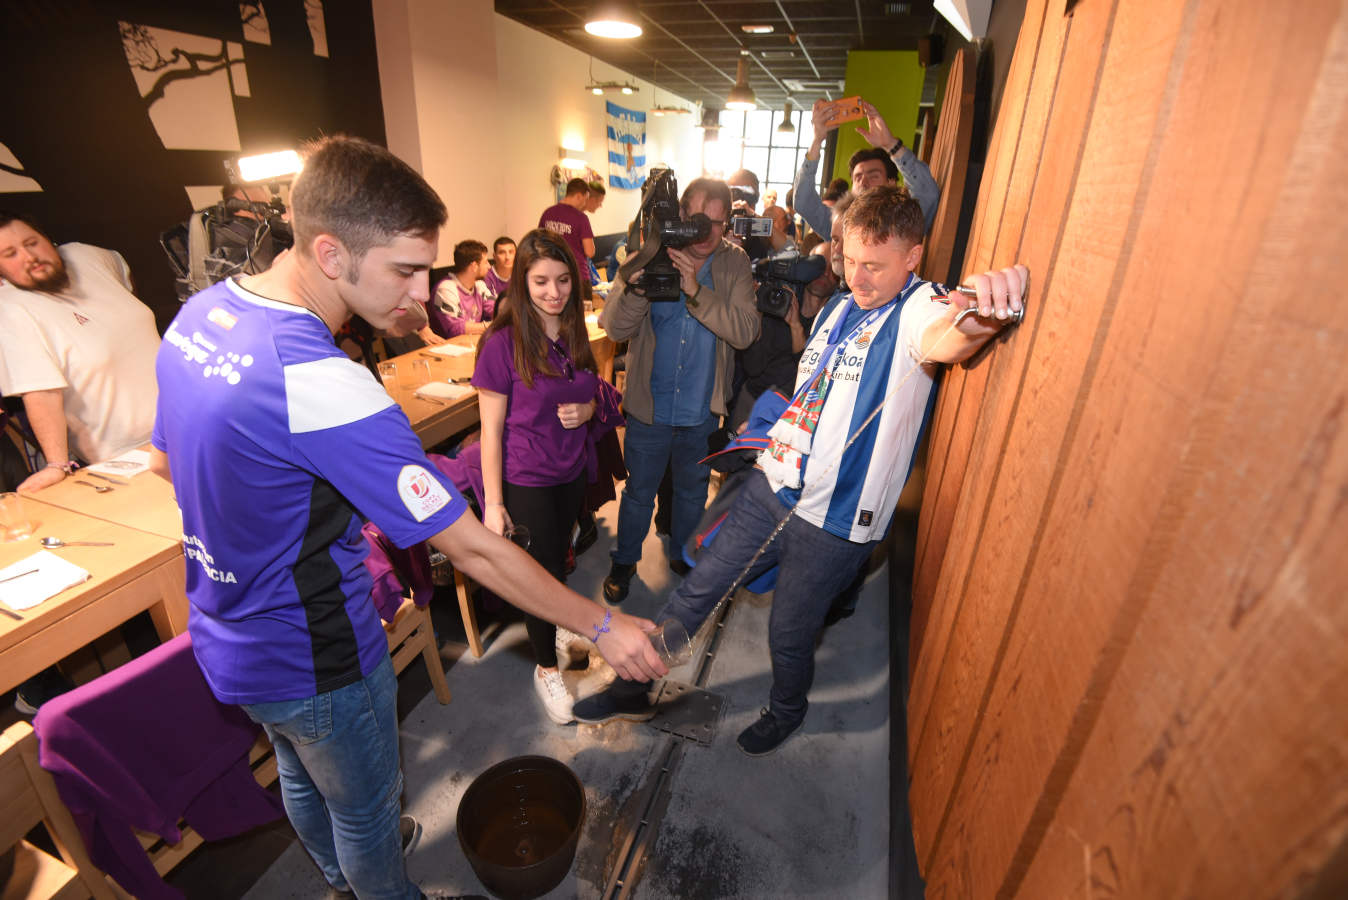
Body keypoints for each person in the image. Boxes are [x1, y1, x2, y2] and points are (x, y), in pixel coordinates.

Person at [150, 135, 665, 900]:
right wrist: (601, 624)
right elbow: (475, 551)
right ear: (330, 253)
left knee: (298, 770)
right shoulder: (322, 382)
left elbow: (166, 463)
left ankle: (336, 876)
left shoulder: (199, 316)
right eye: (404, 270)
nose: (423, 294)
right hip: (315, 647)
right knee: (365, 813)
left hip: (227, 636)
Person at [576, 186, 1026, 757]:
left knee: (787, 632)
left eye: (875, 266)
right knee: (695, 594)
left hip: (834, 524)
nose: (858, 279)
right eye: (850, 261)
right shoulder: (841, 305)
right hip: (773, 487)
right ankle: (635, 686)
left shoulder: (918, 309)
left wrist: (987, 315)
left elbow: (951, 334)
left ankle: (787, 710)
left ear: (913, 257)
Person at [473, 229, 621, 724]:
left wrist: (588, 407)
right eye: (540, 281)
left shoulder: (577, 332)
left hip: (570, 471)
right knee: (534, 578)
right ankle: (544, 669)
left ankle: (557, 625)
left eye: (561, 280)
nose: (553, 292)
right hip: (527, 478)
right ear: (522, 283)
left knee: (558, 560)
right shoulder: (502, 343)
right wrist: (494, 504)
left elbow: (595, 390)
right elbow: (490, 433)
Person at [599, 177, 759, 603]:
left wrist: (695, 291)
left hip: (700, 412)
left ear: (728, 225)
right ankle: (624, 560)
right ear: (679, 216)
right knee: (638, 492)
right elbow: (615, 327)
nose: (706, 232)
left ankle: (682, 556)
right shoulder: (650, 252)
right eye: (696, 221)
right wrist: (639, 283)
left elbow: (745, 332)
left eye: (718, 223)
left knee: (692, 492)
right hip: (648, 409)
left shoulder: (734, 264)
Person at [0, 211, 160, 493]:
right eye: (10, 253)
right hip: (128, 456)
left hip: (189, 422)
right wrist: (56, 465)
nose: (29, 257)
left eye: (32, 243)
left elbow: (124, 276)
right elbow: (40, 392)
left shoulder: (85, 256)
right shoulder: (11, 309)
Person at [794, 98, 941, 239]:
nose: (863, 182)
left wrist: (890, 144)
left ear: (891, 183)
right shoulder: (840, 223)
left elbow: (926, 192)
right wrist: (817, 140)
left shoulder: (904, 220)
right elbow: (803, 202)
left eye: (873, 176)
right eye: (857, 178)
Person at [430, 239, 494, 337]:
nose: (489, 266)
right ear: (474, 266)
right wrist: (492, 326)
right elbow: (455, 328)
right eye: (485, 262)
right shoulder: (446, 289)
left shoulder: (479, 285)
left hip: (470, 344)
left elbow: (495, 309)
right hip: (447, 347)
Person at [539, 178, 595, 271]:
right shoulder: (581, 217)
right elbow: (590, 252)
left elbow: (539, 242)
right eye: (585, 200)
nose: (584, 204)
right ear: (578, 196)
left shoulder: (547, 213)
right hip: (576, 273)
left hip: (553, 271)